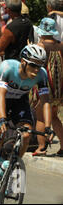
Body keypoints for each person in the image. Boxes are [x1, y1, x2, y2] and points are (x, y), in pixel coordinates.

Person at [0, 44, 53, 204]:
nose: (37, 69)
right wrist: (2, 119)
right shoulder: (8, 67)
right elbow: (1, 96)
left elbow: (46, 102)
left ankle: (11, 169)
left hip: (20, 101)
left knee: (26, 135)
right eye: (33, 65)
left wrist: (48, 127)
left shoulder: (42, 74)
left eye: (40, 66)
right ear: (23, 62)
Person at [32, 18, 63, 157]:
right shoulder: (60, 45)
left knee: (40, 117)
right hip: (58, 89)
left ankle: (41, 147)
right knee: (54, 117)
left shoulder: (40, 46)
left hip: (44, 87)